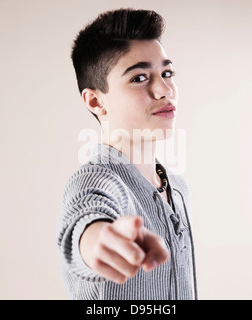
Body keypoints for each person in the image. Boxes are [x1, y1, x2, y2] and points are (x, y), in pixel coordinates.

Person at [57, 8, 197, 300]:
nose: (164, 90)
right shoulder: (93, 181)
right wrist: (100, 239)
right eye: (139, 78)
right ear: (96, 101)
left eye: (167, 73)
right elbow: (87, 220)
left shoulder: (178, 187)